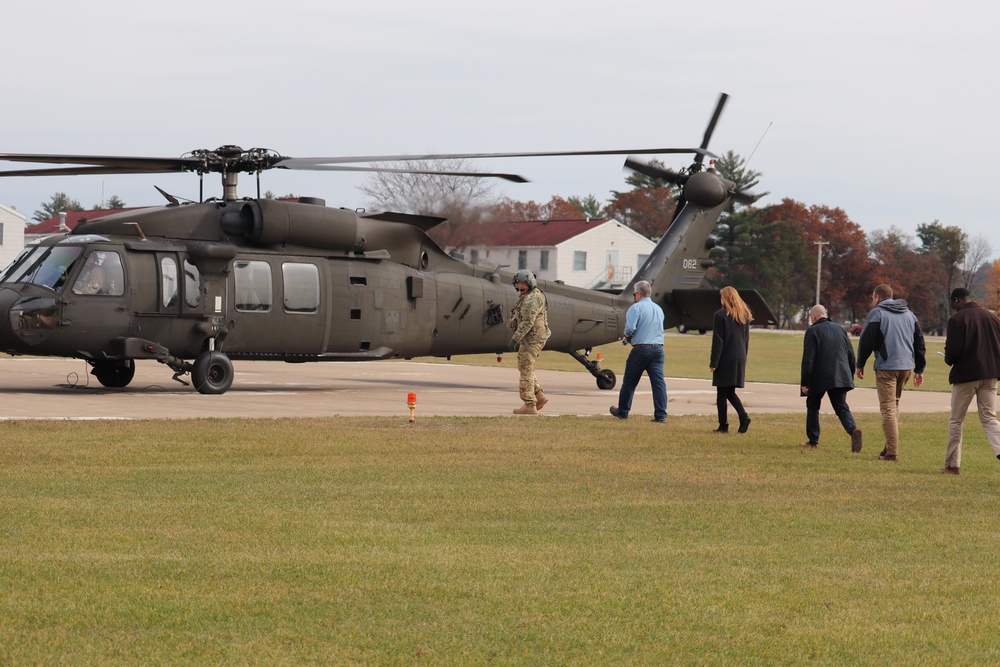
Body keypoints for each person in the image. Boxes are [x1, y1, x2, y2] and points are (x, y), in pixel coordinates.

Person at [856, 284, 926, 462]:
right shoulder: (910, 314)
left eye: (873, 298)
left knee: (887, 409)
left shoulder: (877, 313)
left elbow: (866, 340)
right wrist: (919, 368)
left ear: (877, 297)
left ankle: (892, 453)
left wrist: (860, 363)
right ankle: (887, 448)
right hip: (907, 366)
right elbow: (919, 342)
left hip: (887, 366)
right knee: (894, 406)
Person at [940, 287, 1000, 474]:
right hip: (990, 374)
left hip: (966, 376)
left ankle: (952, 465)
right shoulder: (992, 317)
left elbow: (953, 353)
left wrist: (948, 358)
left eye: (953, 304)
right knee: (990, 418)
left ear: (957, 300)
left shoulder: (958, 319)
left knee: (956, 420)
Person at [799, 304, 862, 452]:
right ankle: (853, 431)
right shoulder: (840, 329)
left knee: (813, 406)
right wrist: (849, 374)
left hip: (819, 376)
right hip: (841, 374)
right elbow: (850, 354)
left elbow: (808, 359)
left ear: (813, 316)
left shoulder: (812, 331)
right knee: (841, 407)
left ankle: (813, 441)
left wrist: (805, 381)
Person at [609, 280, 667, 422]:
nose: (634, 296)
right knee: (658, 383)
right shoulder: (658, 308)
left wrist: (626, 336)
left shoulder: (636, 308)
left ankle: (623, 411)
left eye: (634, 293)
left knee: (629, 382)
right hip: (658, 349)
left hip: (641, 349)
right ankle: (661, 415)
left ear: (639, 294)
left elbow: (630, 328)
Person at [507, 269, 551, 415]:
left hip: (532, 339)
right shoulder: (528, 296)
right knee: (525, 366)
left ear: (530, 282)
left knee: (525, 369)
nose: (521, 286)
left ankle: (529, 404)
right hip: (533, 337)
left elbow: (527, 322)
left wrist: (515, 339)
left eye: (524, 283)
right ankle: (539, 396)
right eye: (518, 283)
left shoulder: (532, 298)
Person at [710, 286, 752, 433]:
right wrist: (744, 358)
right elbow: (746, 340)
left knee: (722, 392)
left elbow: (718, 341)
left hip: (725, 357)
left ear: (726, 298)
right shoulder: (744, 315)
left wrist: (714, 362)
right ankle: (740, 418)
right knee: (728, 391)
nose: (720, 300)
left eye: (721, 297)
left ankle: (726, 424)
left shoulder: (720, 315)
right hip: (739, 356)